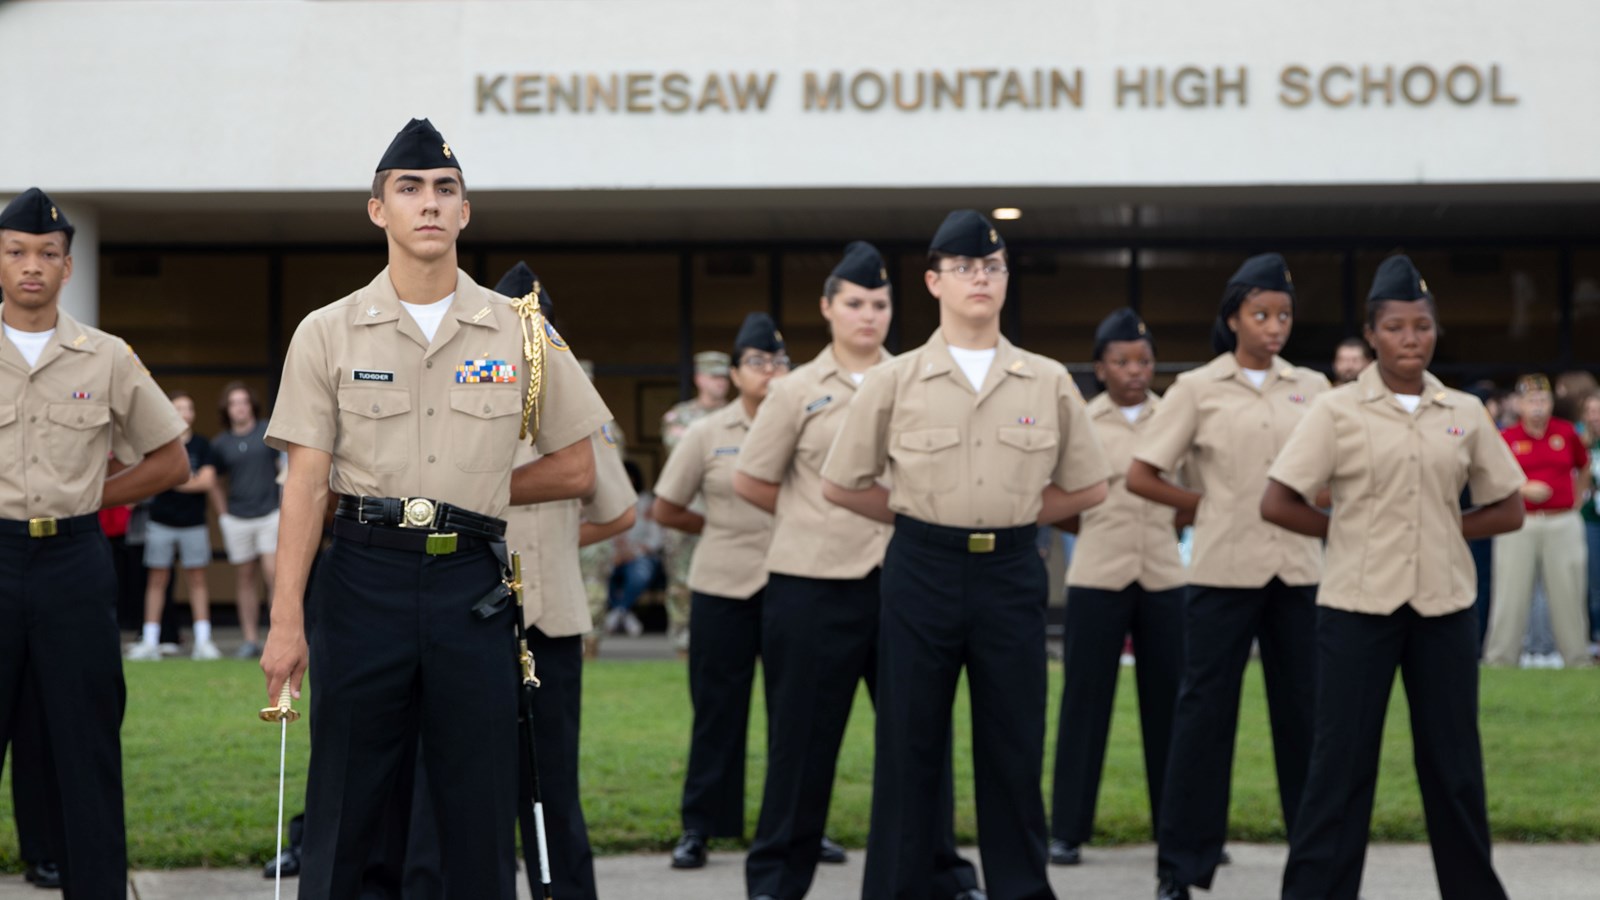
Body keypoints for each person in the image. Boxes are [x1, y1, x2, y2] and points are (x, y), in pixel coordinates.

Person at [258, 119, 611, 900]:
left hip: (471, 593)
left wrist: (469, 487)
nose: (428, 204)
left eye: (444, 190)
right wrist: (287, 622)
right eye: (409, 189)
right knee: (349, 799)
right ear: (377, 209)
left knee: (477, 806)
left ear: (466, 212)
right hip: (360, 581)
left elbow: (578, 464)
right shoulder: (328, 331)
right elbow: (307, 486)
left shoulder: (520, 331)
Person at [821, 210, 1110, 900]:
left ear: (1006, 280)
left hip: (1011, 572)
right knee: (909, 746)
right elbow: (841, 483)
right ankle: (898, 889)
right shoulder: (895, 380)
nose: (979, 278)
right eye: (963, 268)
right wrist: (923, 516)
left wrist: (1010, 516)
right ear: (933, 282)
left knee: (1013, 747)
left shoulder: (1044, 379)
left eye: (992, 266)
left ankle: (1019, 889)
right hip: (921, 568)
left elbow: (1090, 485)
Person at [1263, 254, 1527, 900]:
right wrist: (1349, 530)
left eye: (1422, 327)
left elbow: (1510, 507)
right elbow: (1278, 500)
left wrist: (1438, 529)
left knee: (1454, 769)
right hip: (1356, 609)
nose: (1412, 339)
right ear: (1372, 334)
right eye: (1397, 328)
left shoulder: (1462, 409)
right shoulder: (1337, 411)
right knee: (1340, 768)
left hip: (1444, 610)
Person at [735, 242, 979, 900]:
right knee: (802, 746)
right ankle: (777, 880)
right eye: (854, 303)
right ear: (827, 309)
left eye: (879, 304)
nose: (868, 316)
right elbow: (752, 480)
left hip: (906, 583)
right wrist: (813, 516)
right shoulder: (794, 391)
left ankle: (941, 874)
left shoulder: (920, 378)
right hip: (811, 587)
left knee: (919, 738)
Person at [0, 187, 190, 896]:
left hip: (73, 567)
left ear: (68, 268)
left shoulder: (106, 356)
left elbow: (172, 460)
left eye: (48, 254)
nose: (32, 266)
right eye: (17, 252)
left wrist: (90, 497)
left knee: (85, 752)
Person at [1125, 252, 1330, 900]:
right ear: (1233, 318)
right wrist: (1204, 507)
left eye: (1284, 315)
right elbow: (1142, 474)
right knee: (1203, 720)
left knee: (1306, 720)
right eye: (1261, 314)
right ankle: (1180, 868)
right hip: (1221, 573)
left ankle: (1317, 865)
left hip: (1297, 573)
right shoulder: (1197, 388)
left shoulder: (1314, 387)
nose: (1274, 327)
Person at [1049, 308, 1186, 868]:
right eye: (1122, 361)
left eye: (1144, 360)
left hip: (1163, 576)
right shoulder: (1081, 420)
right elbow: (1056, 498)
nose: (1135, 370)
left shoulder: (1175, 416)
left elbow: (1190, 496)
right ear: (1100, 367)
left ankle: (1178, 829)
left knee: (1172, 708)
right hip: (1098, 576)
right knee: (1085, 704)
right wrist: (1099, 532)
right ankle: (1066, 830)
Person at [653, 313, 787, 870]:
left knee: (795, 716)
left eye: (780, 361)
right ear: (734, 373)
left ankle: (794, 826)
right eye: (757, 362)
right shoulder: (706, 433)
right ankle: (702, 827)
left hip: (791, 584)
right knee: (717, 713)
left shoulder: (804, 426)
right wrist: (716, 529)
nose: (771, 371)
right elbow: (666, 508)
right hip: (721, 586)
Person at [1483, 374, 1593, 668]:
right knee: (1510, 592)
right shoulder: (1507, 437)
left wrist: (1577, 497)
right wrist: (1523, 489)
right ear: (1519, 404)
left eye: (1543, 400)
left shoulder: (1566, 432)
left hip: (1562, 520)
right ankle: (1500, 660)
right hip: (1520, 521)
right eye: (1531, 400)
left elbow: (1583, 466)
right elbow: (1492, 477)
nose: (1537, 406)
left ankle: (1577, 659)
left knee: (1569, 591)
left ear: (1551, 403)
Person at [127, 390, 220, 661]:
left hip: (193, 524)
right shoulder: (159, 444)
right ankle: (150, 641)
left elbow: (207, 482)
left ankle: (203, 642)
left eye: (188, 408)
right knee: (156, 581)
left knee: (197, 580)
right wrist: (184, 479)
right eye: (178, 408)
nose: (184, 413)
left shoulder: (202, 445)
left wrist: (171, 479)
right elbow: (151, 478)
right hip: (160, 523)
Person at [659, 350, 732, 651]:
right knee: (681, 581)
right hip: (687, 510)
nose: (720, 383)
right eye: (714, 377)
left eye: (724, 377)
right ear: (699, 378)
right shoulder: (679, 417)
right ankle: (683, 643)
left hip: (727, 510)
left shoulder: (738, 414)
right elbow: (684, 454)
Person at [209, 380, 281, 658]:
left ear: (252, 405)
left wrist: (285, 507)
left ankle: (277, 635)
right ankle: (250, 639)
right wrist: (223, 514)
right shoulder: (220, 443)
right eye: (233, 403)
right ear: (227, 409)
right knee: (245, 577)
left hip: (269, 513)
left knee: (273, 574)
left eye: (243, 402)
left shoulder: (267, 433)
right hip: (237, 517)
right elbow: (213, 480)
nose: (239, 407)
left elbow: (284, 470)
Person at [1581, 392, 1600, 657]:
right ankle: (1595, 637)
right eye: (1591, 411)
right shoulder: (1579, 443)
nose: (1595, 416)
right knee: (1593, 582)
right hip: (1590, 520)